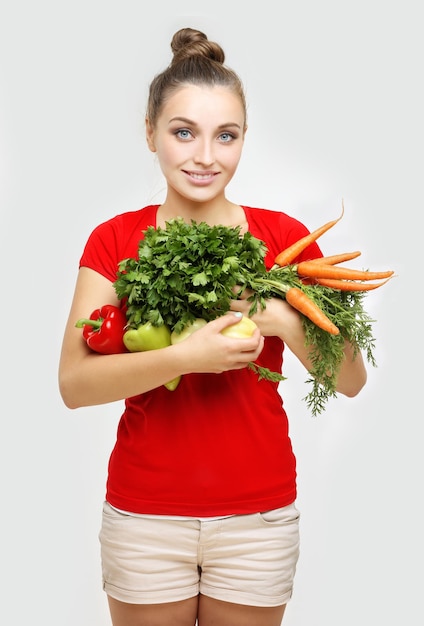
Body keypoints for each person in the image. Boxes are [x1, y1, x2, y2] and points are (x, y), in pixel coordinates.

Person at [58, 27, 367, 626]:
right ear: (150, 132)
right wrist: (183, 358)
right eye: (183, 132)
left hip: (258, 519)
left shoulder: (282, 240)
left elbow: (350, 377)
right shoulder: (115, 241)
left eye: (226, 136)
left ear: (244, 139)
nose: (205, 156)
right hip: (145, 516)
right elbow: (74, 384)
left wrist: (277, 315)